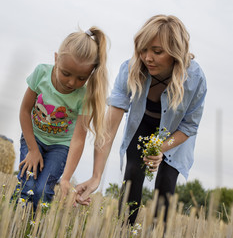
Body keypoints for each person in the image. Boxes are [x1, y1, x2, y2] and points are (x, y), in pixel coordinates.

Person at [66, 15, 207, 225]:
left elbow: (189, 126)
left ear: (175, 52)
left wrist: (161, 148)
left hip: (176, 135)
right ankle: (124, 234)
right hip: (143, 125)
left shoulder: (195, 79)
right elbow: (109, 129)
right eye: (143, 49)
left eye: (157, 52)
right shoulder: (130, 69)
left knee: (166, 185)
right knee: (132, 172)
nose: (147, 57)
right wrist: (96, 176)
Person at [13, 27, 108, 211]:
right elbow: (25, 111)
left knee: (42, 191)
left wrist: (66, 178)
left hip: (60, 147)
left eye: (81, 78)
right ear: (56, 59)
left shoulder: (85, 95)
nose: (72, 82)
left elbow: (78, 139)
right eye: (66, 73)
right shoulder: (41, 73)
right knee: (27, 186)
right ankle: (14, 223)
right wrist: (33, 149)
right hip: (34, 138)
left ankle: (36, 230)